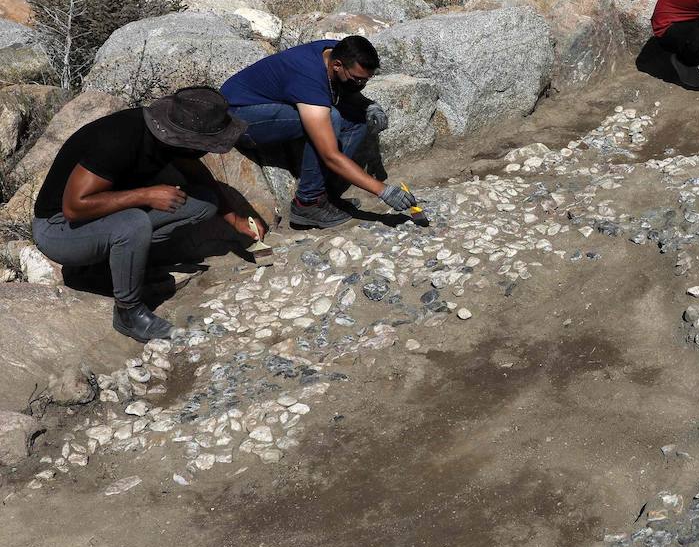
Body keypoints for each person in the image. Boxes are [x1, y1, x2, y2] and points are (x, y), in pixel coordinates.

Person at [31, 87, 259, 343]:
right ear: (185, 138)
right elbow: (74, 208)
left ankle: (118, 268)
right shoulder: (117, 140)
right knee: (133, 224)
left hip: (102, 220)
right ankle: (128, 312)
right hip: (57, 229)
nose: (208, 151)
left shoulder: (170, 139)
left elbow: (194, 171)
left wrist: (235, 218)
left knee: (204, 203)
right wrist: (146, 195)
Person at [220, 35, 418, 229]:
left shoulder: (334, 51)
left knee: (357, 119)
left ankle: (325, 194)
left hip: (269, 104)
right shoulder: (309, 78)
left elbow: (341, 88)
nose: (361, 85)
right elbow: (329, 155)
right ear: (337, 66)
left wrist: (368, 105)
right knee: (330, 118)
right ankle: (308, 204)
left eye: (366, 80)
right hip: (238, 118)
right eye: (357, 80)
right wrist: (383, 191)